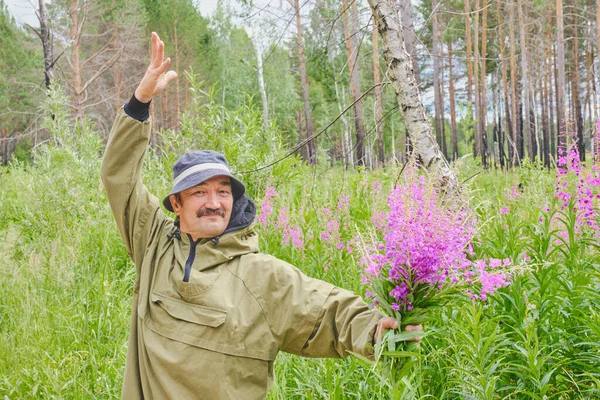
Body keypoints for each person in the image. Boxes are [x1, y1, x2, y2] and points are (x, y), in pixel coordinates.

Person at [101, 32, 420, 400]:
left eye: (223, 191)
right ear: (176, 204)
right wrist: (140, 103)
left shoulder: (260, 277)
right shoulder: (152, 246)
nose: (214, 201)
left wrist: (384, 334)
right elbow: (118, 176)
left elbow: (326, 312)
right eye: (200, 192)